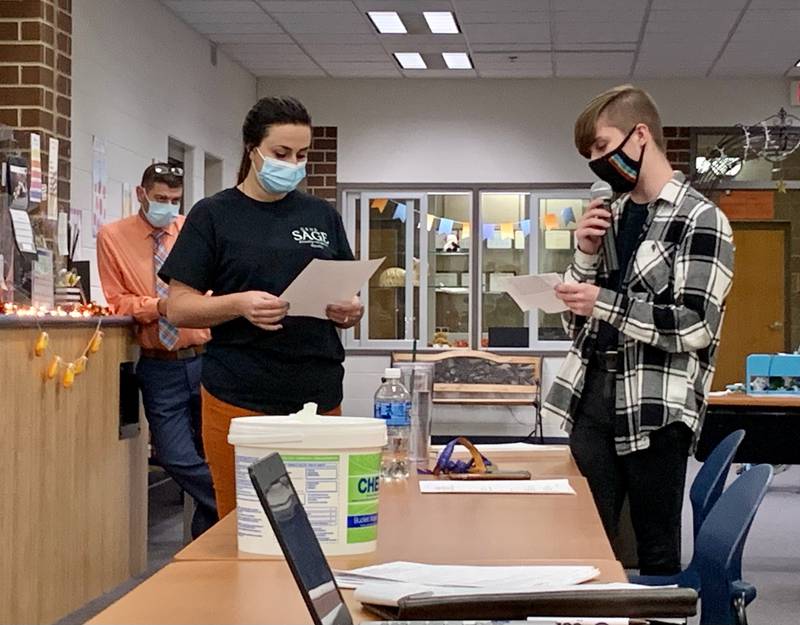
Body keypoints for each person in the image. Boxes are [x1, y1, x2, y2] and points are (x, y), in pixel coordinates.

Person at [542, 85, 735, 575]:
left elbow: (694, 325)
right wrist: (583, 255)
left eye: (604, 147)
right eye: (590, 155)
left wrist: (605, 303)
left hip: (656, 408)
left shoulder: (701, 218)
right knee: (586, 541)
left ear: (641, 135)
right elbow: (575, 324)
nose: (598, 163)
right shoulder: (614, 213)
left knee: (654, 549)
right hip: (590, 398)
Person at [159, 97, 363, 518]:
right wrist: (238, 304)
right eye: (281, 153)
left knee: (319, 525)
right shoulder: (214, 215)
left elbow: (348, 288)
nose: (292, 163)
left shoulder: (321, 215)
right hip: (241, 395)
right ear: (252, 150)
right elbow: (178, 308)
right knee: (244, 524)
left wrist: (351, 308)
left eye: (302, 155)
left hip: (318, 395)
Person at [97, 163, 218, 538]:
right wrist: (161, 306)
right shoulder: (113, 236)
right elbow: (117, 302)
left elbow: (212, 288)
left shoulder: (191, 231)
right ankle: (233, 505)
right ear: (141, 194)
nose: (168, 206)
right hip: (159, 364)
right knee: (176, 456)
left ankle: (211, 542)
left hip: (205, 359)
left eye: (175, 200)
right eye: (161, 198)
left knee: (215, 454)